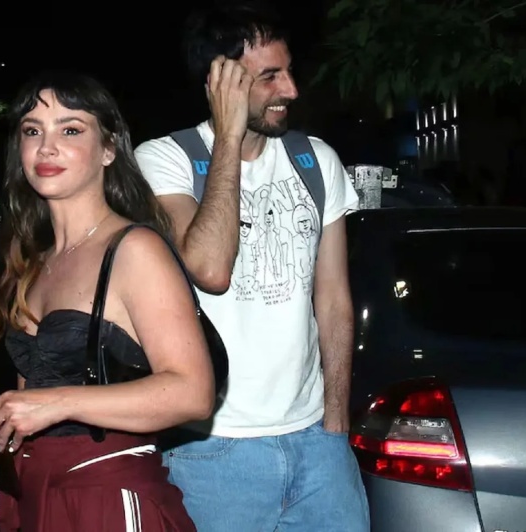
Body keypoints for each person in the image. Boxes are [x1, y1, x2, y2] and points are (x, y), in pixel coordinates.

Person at [134, 2, 370, 531]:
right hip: (211, 452)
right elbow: (209, 267)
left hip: (317, 444)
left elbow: (333, 299)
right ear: (220, 83)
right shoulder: (164, 159)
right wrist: (228, 137)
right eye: (269, 77)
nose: (291, 90)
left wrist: (336, 424)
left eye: (289, 71)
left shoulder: (318, 160)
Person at [0, 70, 216, 532]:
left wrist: (58, 403)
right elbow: (36, 393)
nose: (46, 147)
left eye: (71, 130)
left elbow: (193, 394)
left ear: (108, 149)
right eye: (32, 131)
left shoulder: (134, 250)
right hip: (37, 490)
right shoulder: (32, 260)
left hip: (107, 498)